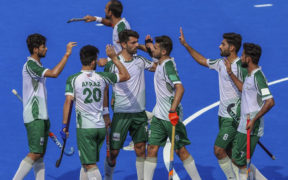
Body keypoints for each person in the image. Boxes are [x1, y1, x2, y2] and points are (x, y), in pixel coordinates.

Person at [179, 27, 245, 179]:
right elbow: (202, 60)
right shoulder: (221, 63)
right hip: (222, 115)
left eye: (223, 44)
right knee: (230, 153)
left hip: (233, 117)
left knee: (218, 150)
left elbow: (248, 90)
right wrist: (186, 45)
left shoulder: (241, 66)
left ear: (232, 47)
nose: (219, 46)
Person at [60, 44, 130, 180]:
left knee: (90, 165)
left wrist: (64, 126)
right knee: (85, 163)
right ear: (93, 62)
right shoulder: (103, 77)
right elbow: (125, 75)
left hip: (85, 130)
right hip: (100, 129)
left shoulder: (73, 79)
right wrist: (114, 58)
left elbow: (68, 102)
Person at [13, 33, 76, 180]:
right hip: (35, 116)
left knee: (40, 154)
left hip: (42, 115)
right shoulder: (31, 65)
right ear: (35, 49)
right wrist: (66, 55)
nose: (46, 49)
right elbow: (54, 73)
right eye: (43, 47)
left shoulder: (37, 65)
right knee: (35, 153)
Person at [143, 35, 201, 180]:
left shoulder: (168, 66)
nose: (153, 49)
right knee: (151, 148)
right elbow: (151, 52)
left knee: (180, 150)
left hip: (170, 116)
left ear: (163, 52)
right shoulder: (161, 62)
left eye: (156, 47)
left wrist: (172, 110)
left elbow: (180, 88)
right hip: (158, 115)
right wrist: (148, 44)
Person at [104, 29, 157, 180]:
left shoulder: (140, 61)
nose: (136, 45)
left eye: (136, 42)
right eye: (133, 43)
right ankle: (108, 177)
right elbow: (105, 88)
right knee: (113, 152)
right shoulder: (112, 64)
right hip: (121, 114)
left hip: (139, 114)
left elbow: (159, 66)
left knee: (141, 149)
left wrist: (148, 47)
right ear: (123, 44)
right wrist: (106, 113)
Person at [229, 43, 275, 180]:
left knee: (239, 161)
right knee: (237, 158)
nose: (240, 57)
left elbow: (270, 101)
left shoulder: (258, 77)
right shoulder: (250, 75)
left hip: (251, 125)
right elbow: (245, 90)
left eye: (242, 55)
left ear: (248, 59)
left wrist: (254, 120)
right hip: (245, 123)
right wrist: (230, 73)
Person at [84, 0, 131, 66]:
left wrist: (107, 60)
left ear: (110, 12)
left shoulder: (121, 29)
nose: (104, 10)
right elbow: (110, 23)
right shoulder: (119, 23)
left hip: (126, 65)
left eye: (106, 8)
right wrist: (95, 18)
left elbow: (127, 51)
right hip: (121, 61)